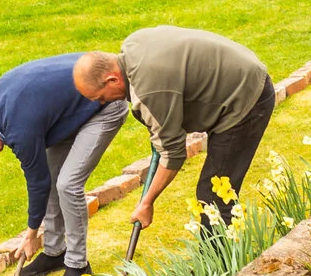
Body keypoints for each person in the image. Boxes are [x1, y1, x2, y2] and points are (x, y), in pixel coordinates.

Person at [0, 54, 127, 276]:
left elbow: (37, 183)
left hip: (104, 105)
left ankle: (77, 265)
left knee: (68, 184)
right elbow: (44, 177)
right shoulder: (0, 101)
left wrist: (31, 235)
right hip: (69, 114)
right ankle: (55, 252)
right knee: (55, 177)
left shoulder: (20, 129)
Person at [72, 27, 274, 246]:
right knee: (215, 189)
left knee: (215, 191)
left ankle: (222, 268)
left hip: (246, 99)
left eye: (101, 98)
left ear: (112, 80)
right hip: (240, 72)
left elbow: (173, 153)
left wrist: (147, 202)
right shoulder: (133, 44)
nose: (104, 103)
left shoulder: (149, 90)